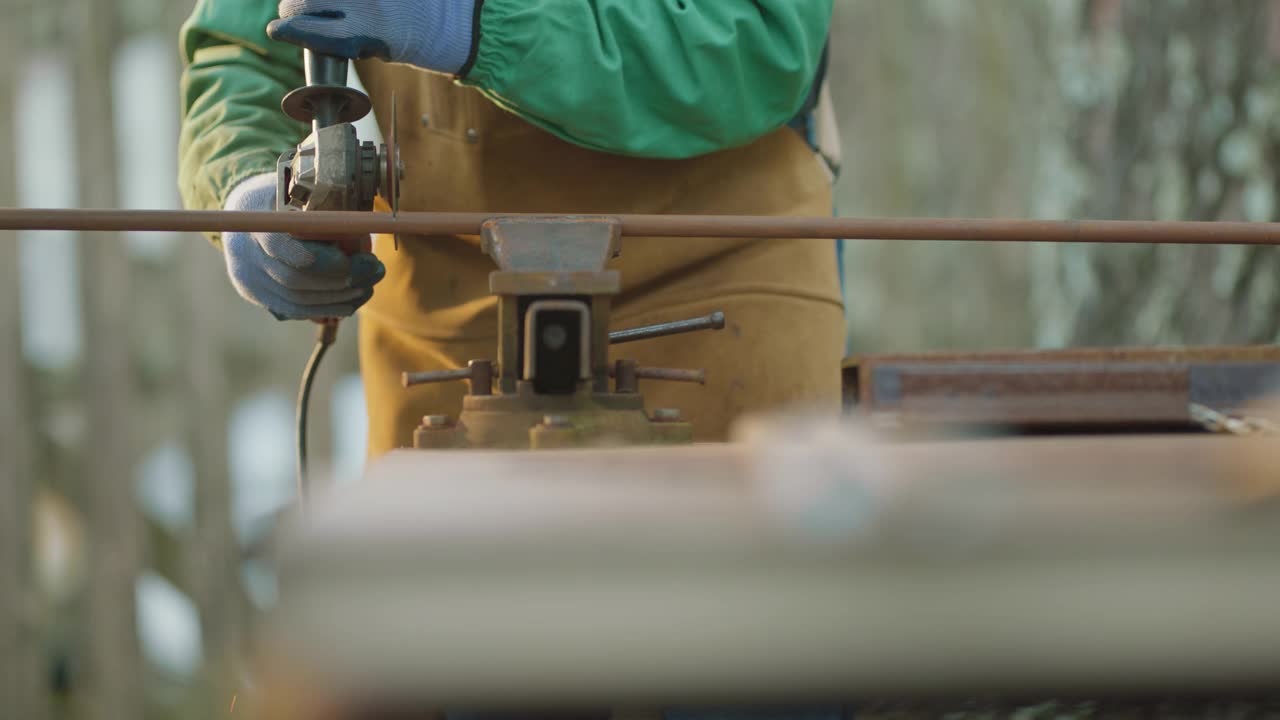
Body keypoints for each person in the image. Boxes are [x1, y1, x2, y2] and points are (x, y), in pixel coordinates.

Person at [179, 0, 847, 457]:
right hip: (443, 345)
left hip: (719, 306)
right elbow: (245, 45)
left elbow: (758, 39)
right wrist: (248, 188)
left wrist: (471, 25)